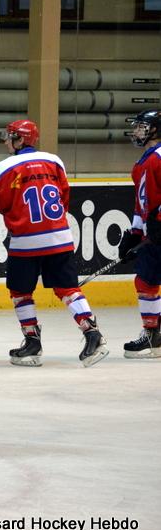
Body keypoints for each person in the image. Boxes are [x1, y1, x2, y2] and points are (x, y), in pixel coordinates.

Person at [0, 119, 108, 368]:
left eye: (9, 137)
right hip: (59, 236)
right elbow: (64, 197)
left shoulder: (3, 168)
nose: (6, 142)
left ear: (20, 139)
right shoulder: (54, 161)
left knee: (20, 292)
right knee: (68, 289)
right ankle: (93, 334)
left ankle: (32, 342)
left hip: (25, 241)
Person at [119, 109, 161, 358]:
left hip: (158, 231)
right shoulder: (144, 161)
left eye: (141, 126)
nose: (136, 131)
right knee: (145, 281)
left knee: (146, 280)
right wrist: (136, 232)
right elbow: (141, 201)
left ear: (155, 129)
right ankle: (152, 335)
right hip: (153, 234)